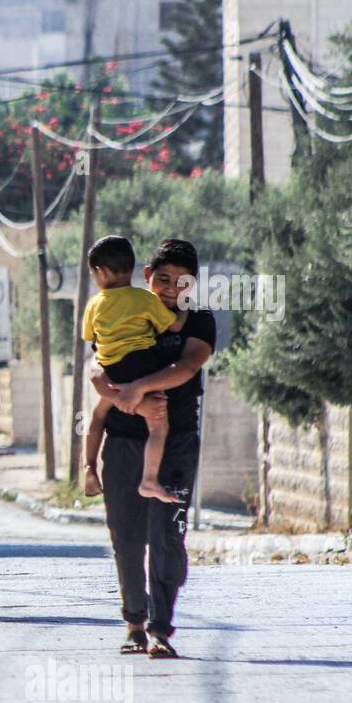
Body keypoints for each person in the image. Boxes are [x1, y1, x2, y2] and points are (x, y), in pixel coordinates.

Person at [89, 238, 216, 659]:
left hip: (176, 440)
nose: (170, 289)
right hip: (124, 441)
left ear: (192, 284)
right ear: (147, 276)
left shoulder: (199, 320)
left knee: (168, 536)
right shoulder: (127, 309)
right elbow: (97, 358)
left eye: (181, 283)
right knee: (126, 537)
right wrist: (107, 386)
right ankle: (134, 625)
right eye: (163, 279)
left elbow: (188, 366)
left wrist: (139, 387)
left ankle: (162, 628)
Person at [80, 235, 184, 504]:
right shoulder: (145, 299)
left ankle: (89, 467)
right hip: (142, 366)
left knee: (98, 414)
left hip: (112, 371)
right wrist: (183, 310)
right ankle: (149, 480)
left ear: (100, 273)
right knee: (158, 425)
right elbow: (173, 326)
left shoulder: (94, 303)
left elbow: (89, 336)